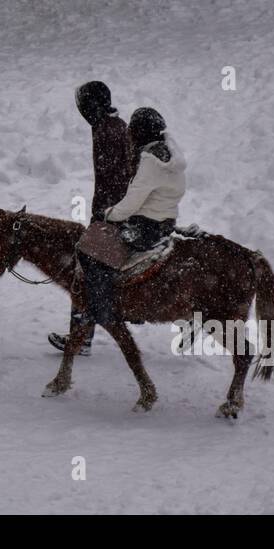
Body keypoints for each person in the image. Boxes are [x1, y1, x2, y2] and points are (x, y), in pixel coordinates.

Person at [74, 107, 186, 329]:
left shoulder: (150, 161)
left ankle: (104, 310)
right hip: (165, 223)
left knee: (90, 252)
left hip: (144, 228)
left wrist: (107, 214)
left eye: (132, 131)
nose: (130, 135)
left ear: (141, 133)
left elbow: (132, 202)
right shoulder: (170, 157)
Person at [48, 81, 134, 356]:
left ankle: (81, 338)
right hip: (112, 212)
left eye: (83, 104)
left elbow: (117, 178)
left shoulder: (109, 131)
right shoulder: (109, 126)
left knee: (85, 273)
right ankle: (83, 334)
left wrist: (105, 216)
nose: (81, 110)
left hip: (111, 214)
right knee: (91, 273)